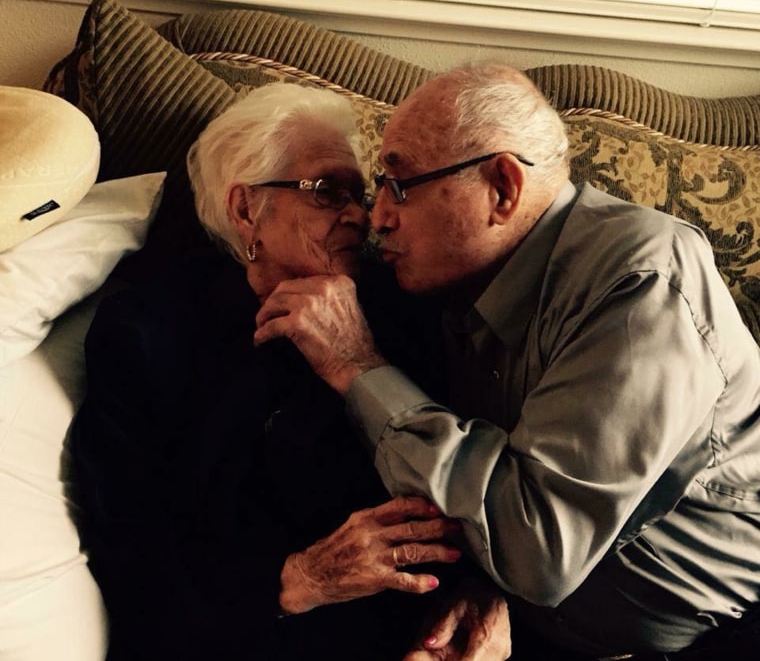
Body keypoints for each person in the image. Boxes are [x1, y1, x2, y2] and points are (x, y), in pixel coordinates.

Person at [253, 64, 760, 660]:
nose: (378, 216)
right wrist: (482, 590)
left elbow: (538, 549)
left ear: (502, 188)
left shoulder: (640, 283)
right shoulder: (449, 281)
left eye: (400, 184)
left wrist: (358, 368)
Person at [68, 82, 512, 661]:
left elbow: (489, 485)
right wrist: (303, 578)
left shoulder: (412, 311)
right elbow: (130, 554)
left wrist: (481, 600)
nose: (366, 216)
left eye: (364, 192)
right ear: (246, 208)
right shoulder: (150, 332)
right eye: (328, 192)